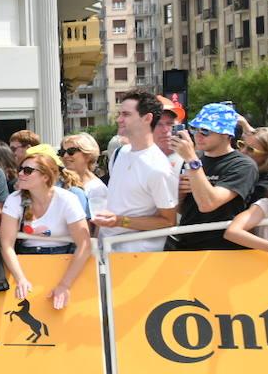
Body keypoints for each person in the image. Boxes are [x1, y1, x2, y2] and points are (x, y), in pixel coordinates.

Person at [0, 150, 91, 309]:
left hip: (64, 258)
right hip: (26, 258)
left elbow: (84, 244)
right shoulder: (14, 199)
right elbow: (6, 244)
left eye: (27, 170)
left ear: (45, 177)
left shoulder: (67, 199)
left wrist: (64, 285)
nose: (20, 173)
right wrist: (20, 278)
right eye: (20, 168)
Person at [92, 91, 178, 253]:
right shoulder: (120, 153)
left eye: (126, 114)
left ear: (147, 118)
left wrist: (120, 221)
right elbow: (113, 204)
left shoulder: (159, 168)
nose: (119, 120)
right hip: (107, 250)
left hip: (137, 257)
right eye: (120, 114)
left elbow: (167, 221)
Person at [166, 102, 258, 251]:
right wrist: (180, 194)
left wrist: (192, 159)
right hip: (186, 244)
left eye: (206, 131)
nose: (198, 135)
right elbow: (185, 210)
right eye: (195, 129)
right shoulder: (196, 159)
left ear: (227, 134)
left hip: (221, 249)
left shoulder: (243, 165)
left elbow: (208, 204)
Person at [61, 133, 106, 217]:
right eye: (62, 152)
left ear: (88, 155)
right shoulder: (62, 183)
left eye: (71, 151)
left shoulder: (96, 188)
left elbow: (98, 225)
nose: (65, 156)